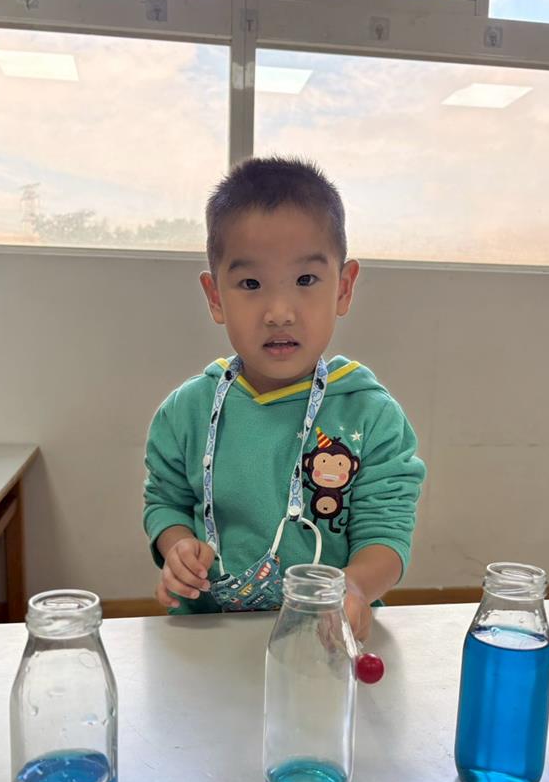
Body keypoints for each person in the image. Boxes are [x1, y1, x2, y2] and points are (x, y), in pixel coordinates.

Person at [143, 156, 425, 641]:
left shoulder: (371, 416)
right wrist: (178, 547)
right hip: (209, 638)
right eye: (250, 284)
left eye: (306, 280)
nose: (278, 312)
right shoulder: (185, 412)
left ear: (344, 287)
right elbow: (165, 502)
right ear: (215, 296)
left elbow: (386, 535)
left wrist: (355, 588)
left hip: (325, 638)